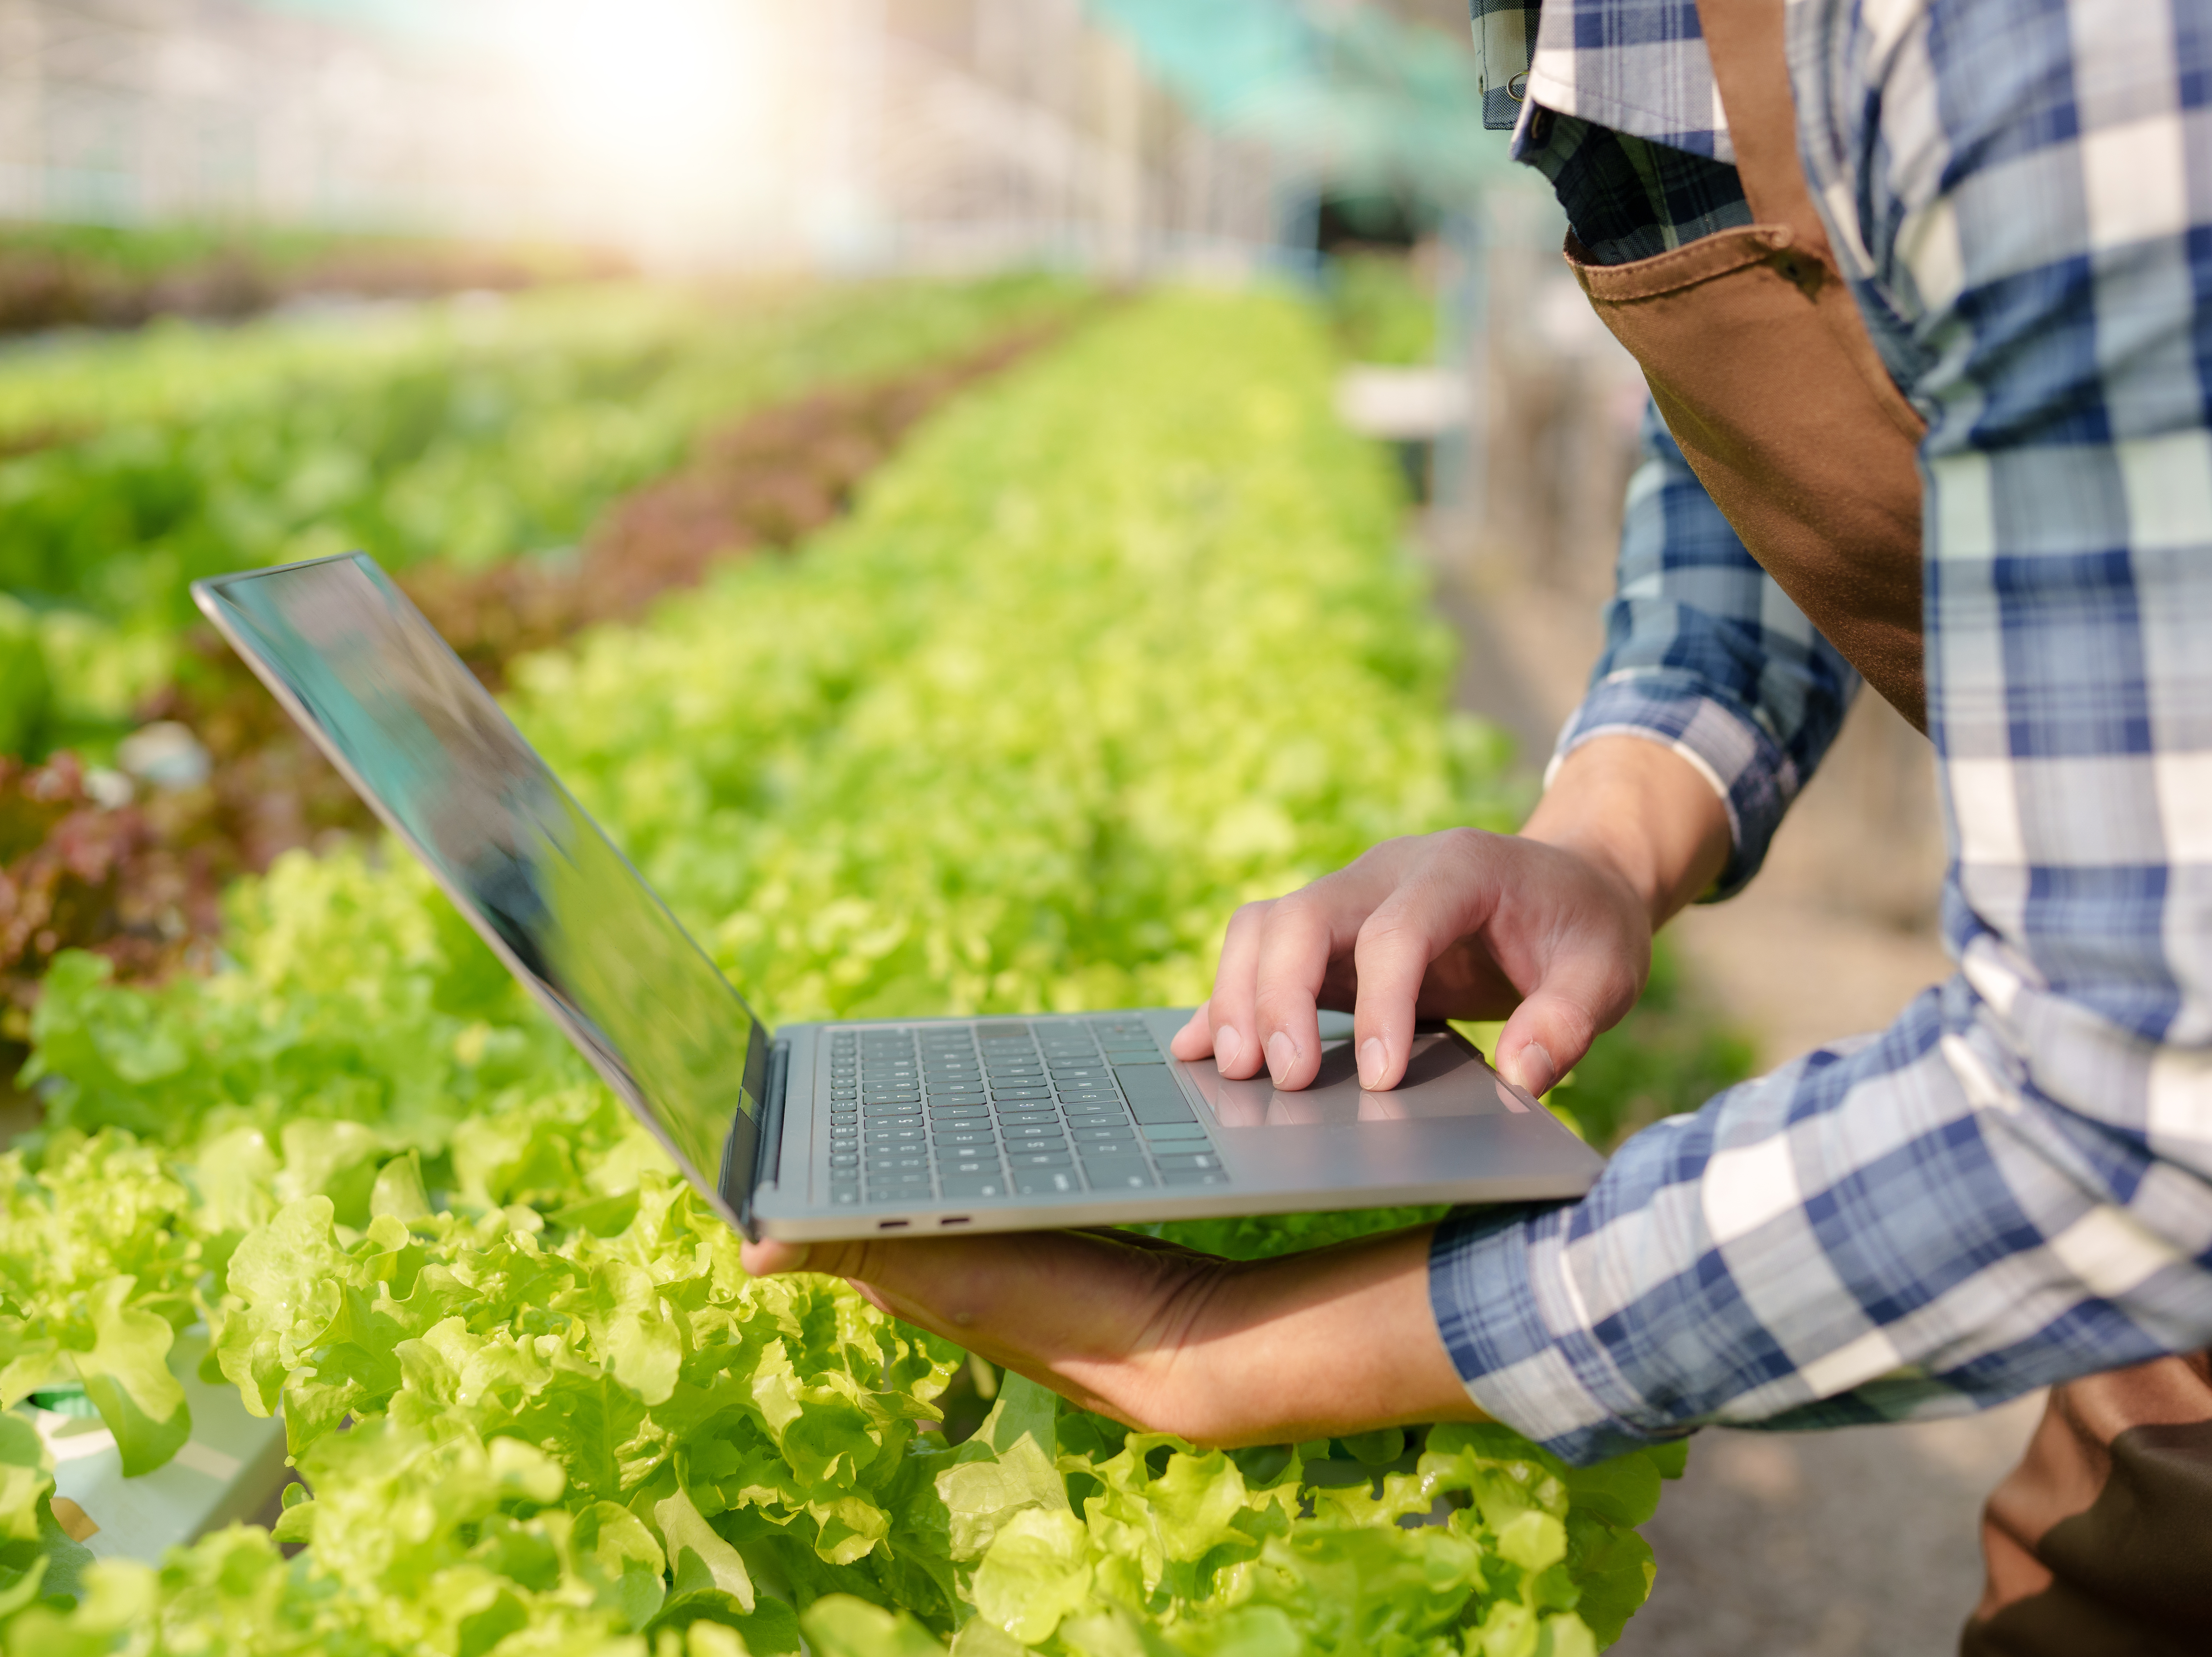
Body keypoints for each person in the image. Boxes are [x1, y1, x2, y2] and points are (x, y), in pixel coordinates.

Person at [747, 1, 2212, 1649]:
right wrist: (1600, 836)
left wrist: (1238, 1342)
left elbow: (2132, 1104)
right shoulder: (1623, 44)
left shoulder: (2014, 39)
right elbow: (1806, 420)